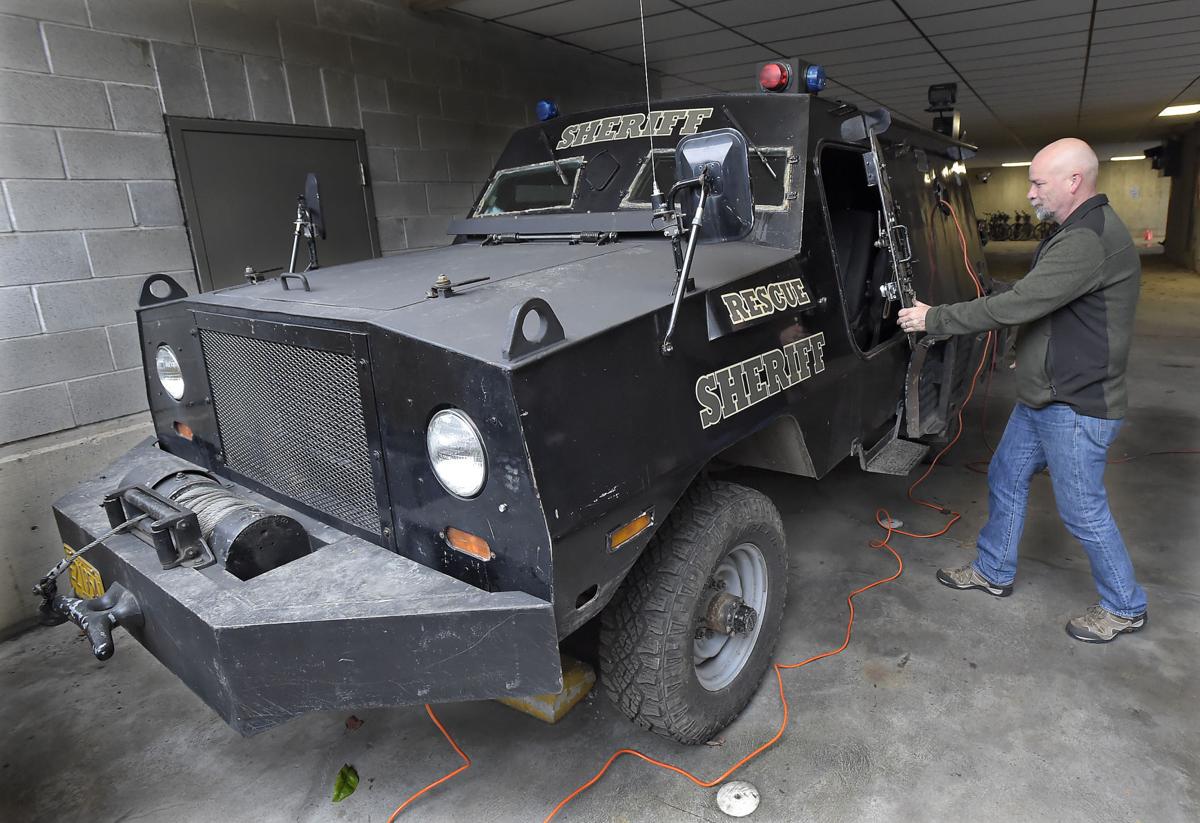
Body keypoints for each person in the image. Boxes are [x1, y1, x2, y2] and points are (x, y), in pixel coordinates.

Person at [897, 138, 1146, 643]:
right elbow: (1048, 304)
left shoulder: (1086, 239)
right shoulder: (1076, 229)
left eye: (1038, 182)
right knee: (1006, 476)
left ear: (1074, 181)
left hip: (1076, 405)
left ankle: (1125, 606)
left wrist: (935, 318)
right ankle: (994, 571)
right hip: (1045, 397)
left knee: (1082, 511)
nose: (1030, 192)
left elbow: (1025, 303)